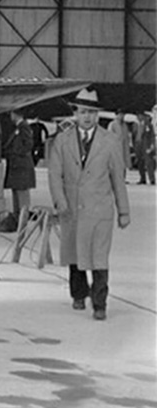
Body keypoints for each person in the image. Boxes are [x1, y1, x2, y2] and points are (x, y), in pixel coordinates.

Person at [48, 87, 131, 321]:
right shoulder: (62, 141)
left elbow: (118, 179)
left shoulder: (110, 141)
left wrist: (123, 211)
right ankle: (78, 294)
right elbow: (55, 174)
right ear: (76, 113)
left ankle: (99, 304)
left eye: (92, 113)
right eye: (83, 112)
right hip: (71, 209)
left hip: (100, 211)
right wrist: (60, 202)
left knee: (99, 259)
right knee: (76, 256)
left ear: (98, 115)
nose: (87, 117)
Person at [0, 109, 35, 233]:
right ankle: (18, 220)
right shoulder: (19, 127)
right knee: (16, 193)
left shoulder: (23, 126)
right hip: (16, 165)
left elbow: (28, 144)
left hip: (21, 166)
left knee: (21, 194)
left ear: (15, 114)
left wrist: (17, 153)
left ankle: (22, 221)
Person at [136, 112, 155, 185]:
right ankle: (142, 178)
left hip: (146, 146)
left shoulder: (148, 125)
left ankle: (152, 179)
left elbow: (152, 136)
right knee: (140, 162)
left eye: (139, 115)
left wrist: (151, 146)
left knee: (149, 163)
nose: (138, 117)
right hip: (138, 145)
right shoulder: (135, 125)